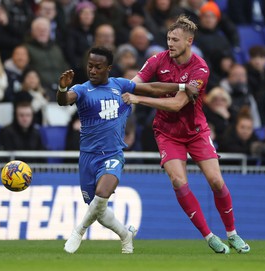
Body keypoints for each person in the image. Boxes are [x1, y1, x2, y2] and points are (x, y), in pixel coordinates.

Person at [123, 15, 250, 254]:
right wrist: (121, 88)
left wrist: (139, 98)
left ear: (189, 41)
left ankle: (232, 233)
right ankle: (209, 236)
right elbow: (134, 83)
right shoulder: (157, 60)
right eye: (168, 38)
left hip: (195, 131)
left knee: (216, 181)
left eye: (175, 39)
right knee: (179, 181)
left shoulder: (200, 68)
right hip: (167, 132)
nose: (170, 43)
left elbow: (177, 104)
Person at [57, 46, 198, 254]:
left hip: (112, 155)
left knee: (102, 193)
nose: (93, 70)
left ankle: (78, 231)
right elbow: (63, 101)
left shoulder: (120, 85)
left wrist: (183, 86)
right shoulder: (82, 90)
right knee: (98, 209)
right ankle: (125, 235)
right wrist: (61, 89)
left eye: (98, 67)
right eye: (90, 66)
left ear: (109, 68)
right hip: (88, 158)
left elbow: (152, 88)